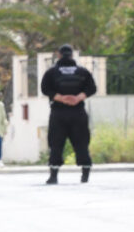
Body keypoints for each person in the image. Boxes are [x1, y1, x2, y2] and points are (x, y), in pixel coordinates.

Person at [39, 46, 96, 184]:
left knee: (56, 143)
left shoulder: (52, 72)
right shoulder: (82, 71)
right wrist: (77, 98)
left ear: (58, 55)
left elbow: (45, 89)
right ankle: (85, 175)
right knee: (82, 142)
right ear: (72, 55)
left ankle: (53, 176)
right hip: (78, 113)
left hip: (59, 113)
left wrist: (61, 98)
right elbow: (92, 88)